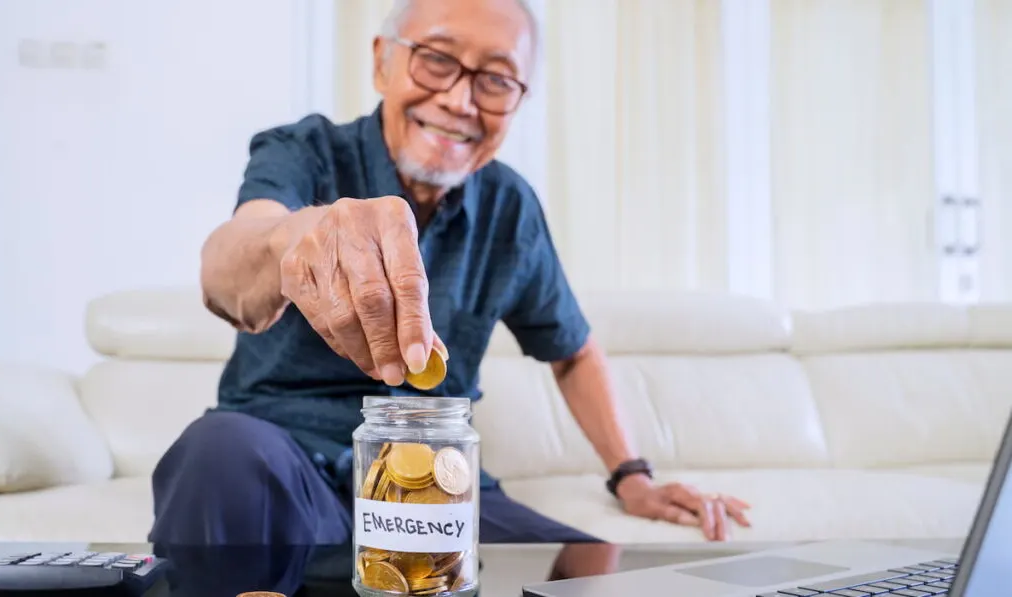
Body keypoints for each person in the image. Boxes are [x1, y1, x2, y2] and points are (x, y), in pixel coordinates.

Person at [148, 0, 751, 548]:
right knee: (217, 451)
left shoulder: (510, 208)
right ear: (383, 62)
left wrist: (632, 477)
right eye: (436, 60)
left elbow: (572, 351)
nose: (460, 101)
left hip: (437, 482)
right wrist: (292, 237)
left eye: (494, 79)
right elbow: (227, 268)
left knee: (589, 567)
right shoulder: (302, 152)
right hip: (281, 461)